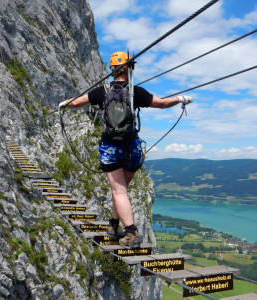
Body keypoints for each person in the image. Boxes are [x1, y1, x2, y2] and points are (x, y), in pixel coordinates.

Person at [59, 51, 192, 248]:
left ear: (112, 69)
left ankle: (131, 233)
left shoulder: (101, 91)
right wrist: (181, 98)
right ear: (130, 68)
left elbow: (76, 103)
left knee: (118, 191)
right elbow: (163, 104)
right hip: (133, 148)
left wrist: (64, 104)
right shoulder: (135, 92)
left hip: (111, 147)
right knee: (121, 190)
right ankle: (113, 225)